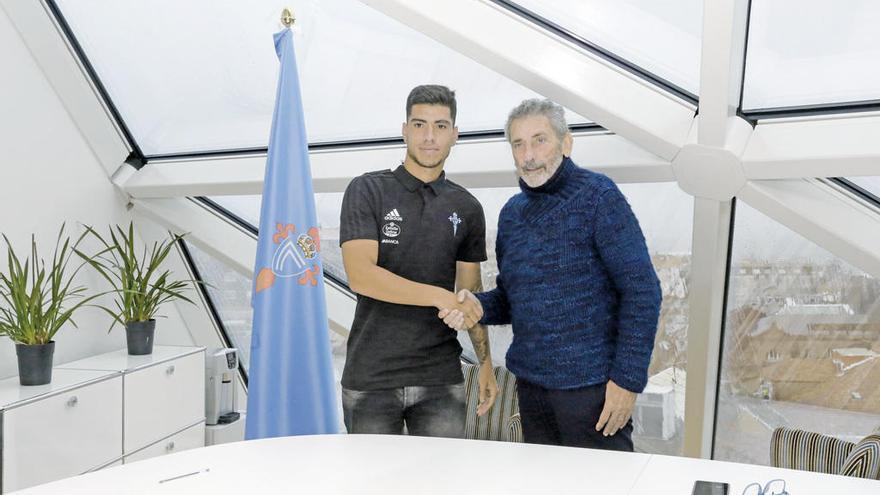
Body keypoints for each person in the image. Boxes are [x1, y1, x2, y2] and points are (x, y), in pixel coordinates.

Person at [441, 98, 661, 451]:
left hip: (594, 394)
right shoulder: (512, 215)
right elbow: (513, 299)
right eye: (519, 144)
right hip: (531, 391)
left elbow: (643, 292)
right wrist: (477, 305)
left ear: (566, 142)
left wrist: (628, 381)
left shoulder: (599, 197)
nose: (529, 154)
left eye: (539, 140)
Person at [339, 84, 498, 437]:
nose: (429, 136)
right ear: (405, 129)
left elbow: (470, 292)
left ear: (454, 135)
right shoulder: (367, 190)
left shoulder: (468, 207)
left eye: (441, 126)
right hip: (371, 378)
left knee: (441, 485)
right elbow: (361, 276)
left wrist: (485, 363)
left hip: (440, 376)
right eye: (419, 124)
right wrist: (439, 296)